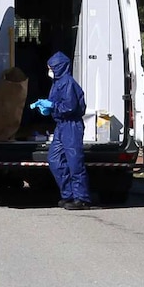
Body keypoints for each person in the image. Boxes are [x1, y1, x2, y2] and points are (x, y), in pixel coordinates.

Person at [31, 51, 92, 210]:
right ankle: (68, 195)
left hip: (71, 126)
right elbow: (57, 103)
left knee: (75, 162)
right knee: (55, 159)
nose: (49, 70)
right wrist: (47, 107)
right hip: (61, 126)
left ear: (59, 67)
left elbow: (70, 107)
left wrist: (52, 107)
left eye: (51, 67)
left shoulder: (68, 83)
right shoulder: (58, 83)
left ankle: (82, 198)